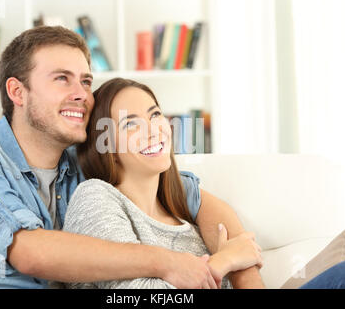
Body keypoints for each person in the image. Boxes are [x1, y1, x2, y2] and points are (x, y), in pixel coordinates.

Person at [0, 26, 264, 288]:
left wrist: (245, 273)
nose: (81, 95)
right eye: (62, 79)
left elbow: (190, 196)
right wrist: (167, 262)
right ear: (17, 91)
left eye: (86, 81)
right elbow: (29, 251)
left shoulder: (84, 165)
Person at [62, 78, 264, 289]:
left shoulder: (184, 209)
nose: (153, 130)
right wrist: (223, 262)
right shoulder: (94, 197)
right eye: (130, 124)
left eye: (155, 114)